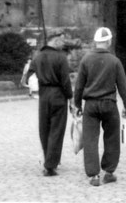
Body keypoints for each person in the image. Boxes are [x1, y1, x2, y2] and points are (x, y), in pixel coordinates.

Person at [73, 27, 126, 186]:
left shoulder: (86, 60)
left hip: (90, 105)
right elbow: (123, 87)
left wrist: (77, 104)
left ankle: (94, 175)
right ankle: (109, 172)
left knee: (90, 139)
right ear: (109, 41)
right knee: (112, 138)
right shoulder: (115, 61)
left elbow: (79, 86)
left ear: (95, 41)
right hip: (109, 104)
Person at [27, 32, 73, 177]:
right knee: (56, 130)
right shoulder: (61, 57)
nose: (63, 44)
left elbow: (29, 75)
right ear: (55, 41)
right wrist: (71, 98)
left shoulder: (37, 56)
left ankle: (48, 158)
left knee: (44, 129)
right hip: (58, 94)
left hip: (43, 95)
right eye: (61, 40)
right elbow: (65, 81)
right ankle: (50, 165)